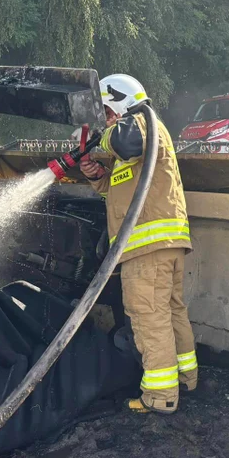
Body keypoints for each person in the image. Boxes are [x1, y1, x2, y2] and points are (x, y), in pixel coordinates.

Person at [78, 74, 197, 415]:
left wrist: (99, 135)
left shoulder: (141, 125)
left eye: (106, 111)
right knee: (171, 312)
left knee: (148, 317)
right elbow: (119, 192)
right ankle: (186, 377)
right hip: (161, 244)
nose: (106, 118)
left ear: (120, 102)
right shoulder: (140, 139)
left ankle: (160, 397)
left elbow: (126, 142)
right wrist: (95, 173)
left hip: (148, 247)